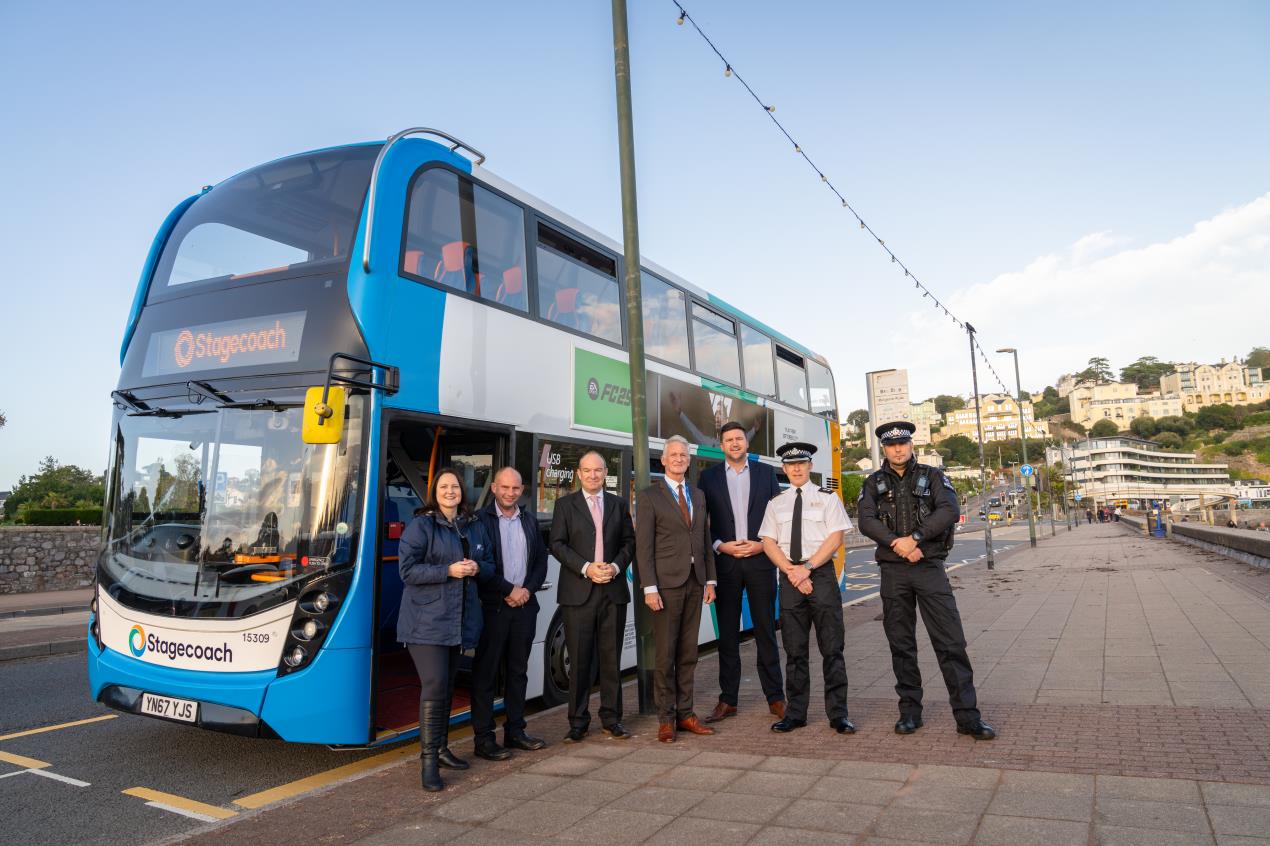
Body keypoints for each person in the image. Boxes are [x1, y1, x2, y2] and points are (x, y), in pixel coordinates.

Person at [858, 422, 994, 740]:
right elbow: (866, 520)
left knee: (950, 642)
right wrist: (897, 544)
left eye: (903, 443)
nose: (898, 449)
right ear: (884, 449)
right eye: (891, 445)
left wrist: (916, 539)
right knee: (901, 645)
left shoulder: (933, 476)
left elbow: (949, 509)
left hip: (929, 567)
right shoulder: (873, 482)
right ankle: (909, 713)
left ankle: (967, 717)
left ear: (911, 445)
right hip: (894, 571)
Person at [397, 467, 496, 792]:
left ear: (461, 491)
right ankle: (428, 761)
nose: (450, 491)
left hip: (459, 620)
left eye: (455, 486)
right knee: (436, 685)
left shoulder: (472, 525)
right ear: (435, 492)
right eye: (444, 487)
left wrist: (478, 567)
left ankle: (441, 749)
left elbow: (490, 563)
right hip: (425, 622)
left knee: (448, 686)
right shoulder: (421, 525)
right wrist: (449, 570)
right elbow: (408, 571)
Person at [759, 441, 854, 735]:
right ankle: (796, 714)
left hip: (820, 574)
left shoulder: (828, 499)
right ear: (784, 469)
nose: (796, 469)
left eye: (801, 463)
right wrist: (791, 571)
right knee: (794, 651)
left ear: (810, 466)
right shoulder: (776, 504)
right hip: (790, 577)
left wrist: (807, 568)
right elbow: (767, 542)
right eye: (790, 465)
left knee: (832, 649)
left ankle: (838, 714)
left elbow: (835, 537)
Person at [698, 421, 785, 722]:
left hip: (760, 562)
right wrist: (721, 546)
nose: (734, 443)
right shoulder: (707, 478)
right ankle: (728, 700)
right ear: (720, 446)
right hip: (726, 565)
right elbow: (700, 525)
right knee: (728, 638)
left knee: (766, 633)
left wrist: (763, 545)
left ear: (747, 443)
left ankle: (776, 697)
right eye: (728, 440)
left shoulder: (766, 474)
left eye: (739, 438)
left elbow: (777, 518)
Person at [548, 450, 637, 742]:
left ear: (604, 473)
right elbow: (557, 545)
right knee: (579, 660)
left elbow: (629, 542)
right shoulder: (565, 505)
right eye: (587, 471)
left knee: (611, 660)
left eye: (598, 470)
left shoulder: (618, 504)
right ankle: (578, 722)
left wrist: (614, 566)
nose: (593, 475)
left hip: (612, 591)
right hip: (578, 592)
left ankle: (612, 718)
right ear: (578, 474)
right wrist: (586, 568)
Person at [636, 435, 717, 743]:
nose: (680, 458)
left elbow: (704, 540)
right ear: (664, 460)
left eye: (684, 454)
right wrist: (649, 588)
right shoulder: (649, 497)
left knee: (688, 655)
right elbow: (644, 548)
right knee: (665, 655)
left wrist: (710, 580)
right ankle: (666, 718)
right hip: (666, 587)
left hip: (696, 583)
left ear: (688, 460)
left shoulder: (698, 495)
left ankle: (686, 714)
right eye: (674, 454)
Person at [470, 467, 549, 761]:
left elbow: (541, 560)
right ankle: (484, 738)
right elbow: (480, 565)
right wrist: (508, 590)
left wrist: (526, 590)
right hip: (493, 608)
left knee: (518, 672)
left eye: (515, 488)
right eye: (504, 487)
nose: (510, 493)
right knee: (486, 674)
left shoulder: (528, 520)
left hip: (525, 608)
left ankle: (515, 731)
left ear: (522, 490)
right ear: (493, 488)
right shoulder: (479, 522)